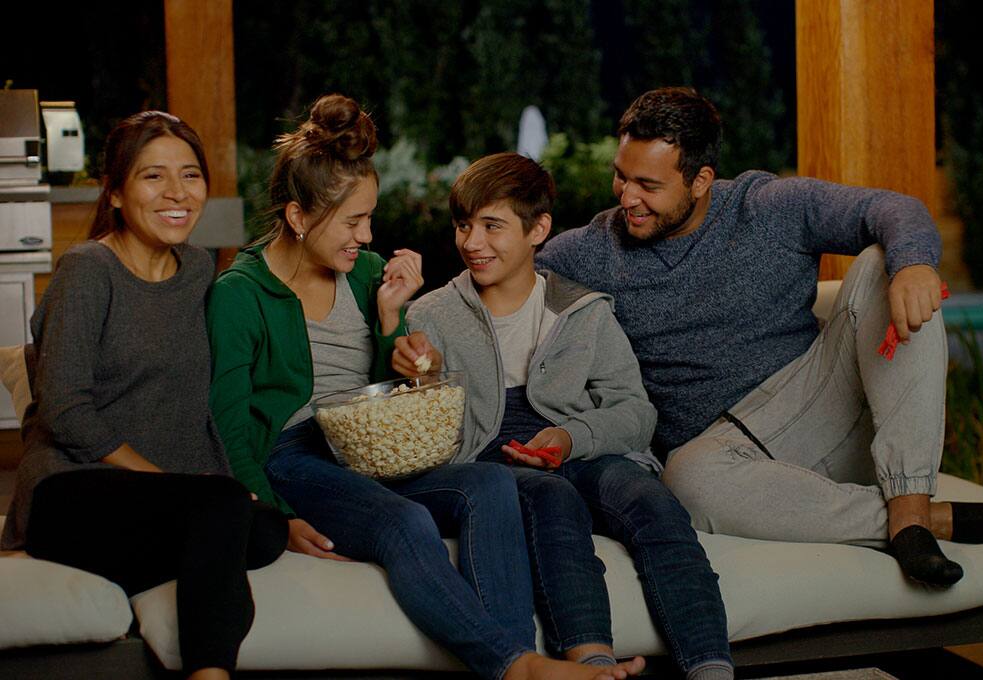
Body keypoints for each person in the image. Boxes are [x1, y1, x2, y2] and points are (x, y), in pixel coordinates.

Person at [207, 94, 636, 680]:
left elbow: (389, 395)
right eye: (353, 221)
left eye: (370, 217)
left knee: (490, 483)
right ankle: (515, 665)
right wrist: (275, 515)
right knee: (403, 522)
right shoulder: (239, 294)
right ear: (299, 217)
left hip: (371, 447)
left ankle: (518, 657)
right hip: (295, 456)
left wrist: (395, 328)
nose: (367, 235)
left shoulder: (366, 273)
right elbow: (228, 426)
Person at [534, 86, 983, 588]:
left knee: (880, 263)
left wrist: (913, 264)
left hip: (821, 406)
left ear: (700, 180)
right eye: (621, 177)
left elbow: (891, 209)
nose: (628, 197)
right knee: (686, 481)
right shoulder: (592, 250)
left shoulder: (766, 207)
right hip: (729, 460)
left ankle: (910, 508)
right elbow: (511, 274)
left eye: (648, 184)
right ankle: (930, 523)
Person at [394, 153, 731, 680]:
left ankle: (711, 667)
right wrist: (427, 379)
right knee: (552, 498)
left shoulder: (583, 310)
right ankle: (591, 665)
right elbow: (420, 442)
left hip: (578, 447)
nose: (473, 242)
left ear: (538, 230)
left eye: (492, 226)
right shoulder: (430, 316)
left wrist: (570, 438)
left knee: (652, 502)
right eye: (463, 225)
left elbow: (636, 413)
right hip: (490, 461)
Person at [0, 111, 289, 680]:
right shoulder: (88, 270)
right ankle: (210, 675)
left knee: (266, 530)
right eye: (154, 176)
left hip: (158, 502)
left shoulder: (199, 270)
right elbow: (64, 407)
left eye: (190, 175)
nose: (177, 193)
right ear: (115, 193)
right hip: (71, 489)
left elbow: (198, 403)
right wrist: (170, 483)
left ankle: (171, 557)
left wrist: (226, 486)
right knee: (221, 512)